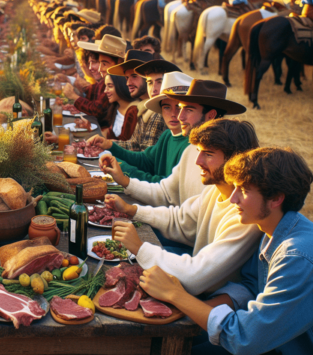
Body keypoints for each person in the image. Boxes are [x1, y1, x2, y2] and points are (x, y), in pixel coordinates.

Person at [141, 147, 313, 355]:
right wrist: (194, 311)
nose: (233, 198)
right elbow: (250, 286)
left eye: (243, 190)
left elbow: (243, 338)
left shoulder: (297, 256)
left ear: (276, 198)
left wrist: (176, 295)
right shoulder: (271, 229)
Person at [107, 118, 262, 296]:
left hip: (211, 305)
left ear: (235, 160)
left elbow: (195, 276)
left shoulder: (245, 215)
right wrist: (132, 210)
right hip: (192, 290)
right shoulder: (216, 191)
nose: (198, 161)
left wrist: (140, 248)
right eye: (199, 152)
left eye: (209, 154)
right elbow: (179, 220)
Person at [104, 79, 246, 208]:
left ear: (211, 115)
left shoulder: (198, 151)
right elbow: (169, 196)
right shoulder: (180, 142)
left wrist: (122, 171)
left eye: (188, 110)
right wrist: (111, 150)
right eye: (178, 108)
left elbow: (176, 205)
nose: (179, 116)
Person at [95, 70, 191, 183]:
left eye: (179, 107)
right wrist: (111, 147)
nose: (174, 114)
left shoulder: (189, 145)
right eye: (167, 107)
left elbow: (166, 186)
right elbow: (145, 160)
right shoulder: (168, 135)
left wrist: (123, 169)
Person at [91, 51, 171, 153]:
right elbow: (134, 145)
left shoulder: (158, 113)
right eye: (127, 78)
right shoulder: (143, 108)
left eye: (134, 76)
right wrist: (107, 144)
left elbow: (146, 159)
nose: (128, 83)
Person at [64, 34, 127, 127]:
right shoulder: (106, 79)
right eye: (100, 63)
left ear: (118, 63)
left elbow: (97, 110)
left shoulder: (116, 83)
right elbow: (93, 90)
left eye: (104, 64)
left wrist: (74, 96)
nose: (100, 69)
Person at [102, 74, 140, 141]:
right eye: (105, 86)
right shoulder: (115, 107)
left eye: (110, 86)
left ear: (121, 86)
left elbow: (131, 144)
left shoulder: (134, 110)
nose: (105, 91)